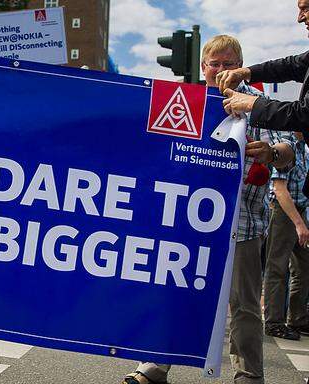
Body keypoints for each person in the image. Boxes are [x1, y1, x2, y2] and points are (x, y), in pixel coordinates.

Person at [123, 35, 294, 384]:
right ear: (203, 67)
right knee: (173, 294)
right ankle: (155, 366)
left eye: (229, 63)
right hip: (190, 222)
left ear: (241, 65)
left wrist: (272, 152)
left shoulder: (257, 102)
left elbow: (289, 150)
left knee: (244, 306)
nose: (221, 70)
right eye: (214, 64)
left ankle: (248, 375)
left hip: (242, 225)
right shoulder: (186, 102)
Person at [219, 0, 309, 138]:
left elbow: (304, 115)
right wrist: (246, 72)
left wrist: (253, 103)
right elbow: (292, 65)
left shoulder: (255, 95)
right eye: (214, 64)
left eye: (306, 9)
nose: (300, 18)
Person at [264, 132, 309, 340]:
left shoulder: (303, 148)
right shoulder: (285, 146)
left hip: (299, 209)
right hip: (283, 211)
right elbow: (279, 189)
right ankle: (274, 322)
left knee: (304, 266)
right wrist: (299, 224)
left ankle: (298, 318)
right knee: (278, 268)